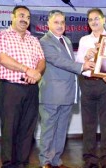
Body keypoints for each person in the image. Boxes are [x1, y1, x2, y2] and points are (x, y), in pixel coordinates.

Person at [38, 10, 95, 168]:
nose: (60, 25)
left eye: (62, 22)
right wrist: (83, 66)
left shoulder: (67, 41)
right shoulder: (44, 41)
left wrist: (86, 59)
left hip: (68, 92)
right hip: (52, 93)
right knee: (49, 129)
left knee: (61, 129)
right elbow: (58, 61)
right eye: (56, 22)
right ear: (48, 24)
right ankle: (45, 161)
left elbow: (72, 62)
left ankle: (56, 159)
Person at [0, 5, 45, 167]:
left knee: (27, 129)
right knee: (9, 128)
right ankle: (9, 164)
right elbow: (2, 58)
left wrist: (37, 73)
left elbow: (41, 60)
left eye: (28, 17)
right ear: (13, 17)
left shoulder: (34, 39)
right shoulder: (3, 36)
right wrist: (27, 70)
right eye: (21, 15)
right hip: (10, 88)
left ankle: (22, 163)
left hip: (31, 88)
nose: (25, 19)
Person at [76, 8, 106, 168]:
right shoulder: (84, 40)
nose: (94, 22)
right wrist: (86, 56)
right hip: (87, 83)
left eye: (96, 18)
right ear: (88, 23)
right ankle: (90, 159)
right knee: (88, 123)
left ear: (104, 20)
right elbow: (80, 63)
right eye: (90, 20)